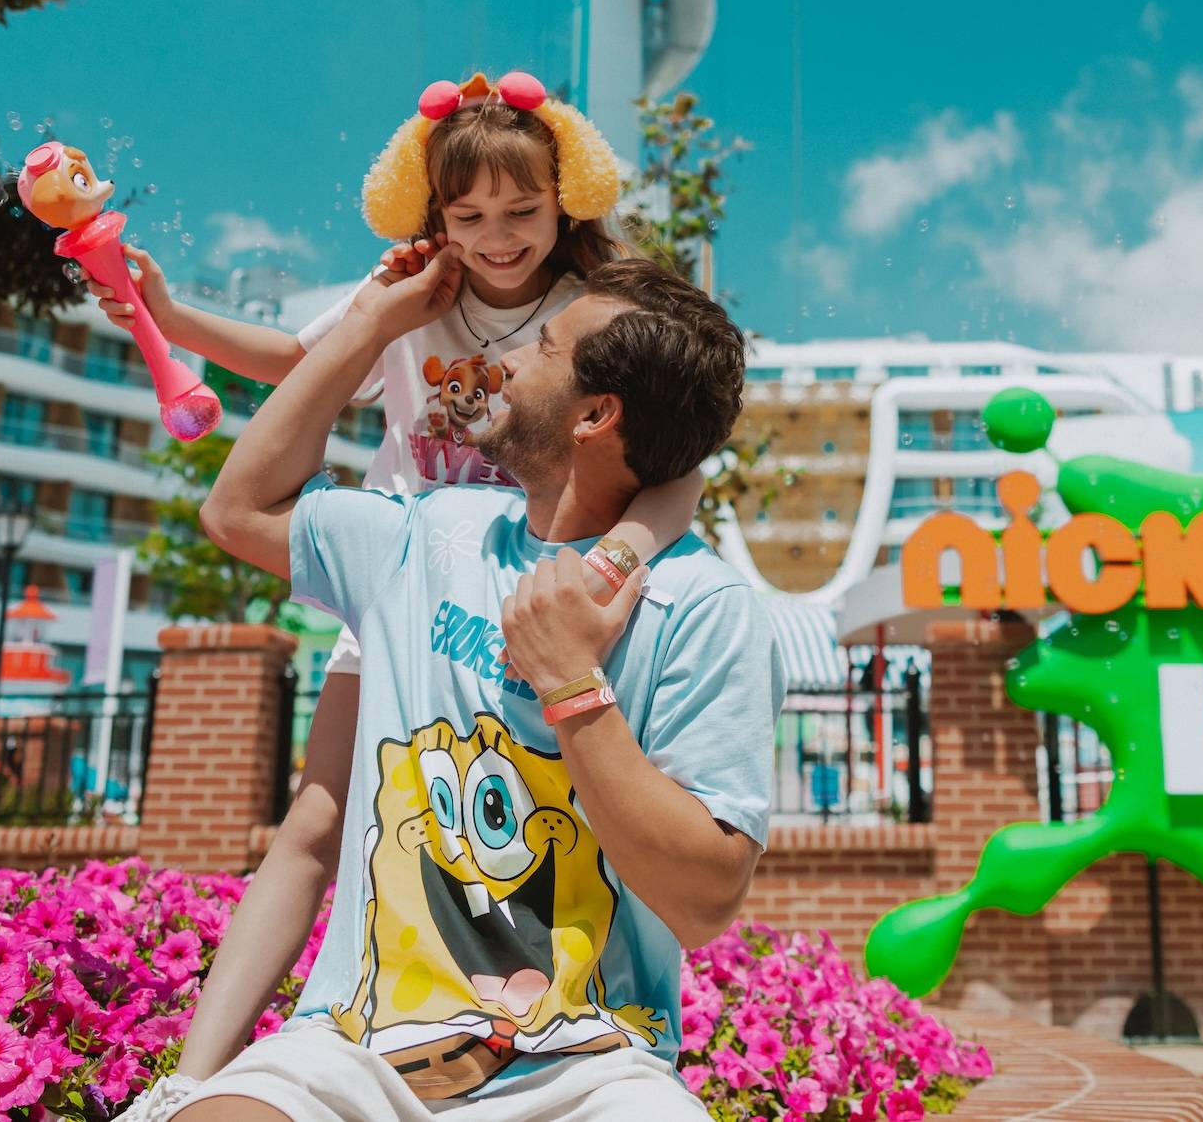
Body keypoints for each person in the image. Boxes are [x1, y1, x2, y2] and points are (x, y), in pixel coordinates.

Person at [93, 72, 704, 1111]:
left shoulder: (591, 313)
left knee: (540, 817)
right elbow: (298, 359)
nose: (499, 235)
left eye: (523, 210)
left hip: (531, 602)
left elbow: (684, 456)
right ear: (434, 215)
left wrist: (615, 560)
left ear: (566, 198)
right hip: (398, 588)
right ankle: (191, 1075)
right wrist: (168, 311)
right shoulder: (413, 295)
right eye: (469, 216)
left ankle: (571, 1036)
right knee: (314, 821)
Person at [169, 243, 776, 1122]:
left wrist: (573, 685)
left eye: (547, 347)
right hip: (352, 1049)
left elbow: (705, 897)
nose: (513, 353)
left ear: (596, 414)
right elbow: (237, 510)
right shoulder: (430, 533)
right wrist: (372, 322)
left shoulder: (704, 604)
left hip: (595, 1070)